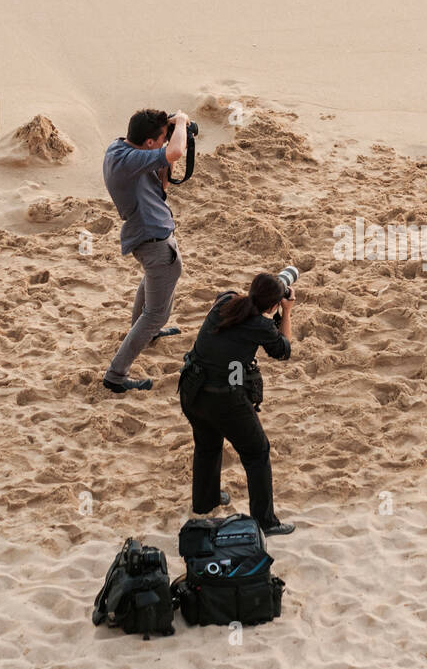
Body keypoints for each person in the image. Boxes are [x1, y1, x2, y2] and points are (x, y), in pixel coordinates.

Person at [177, 273, 296, 537]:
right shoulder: (262, 326)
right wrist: (286, 313)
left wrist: (271, 298)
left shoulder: (226, 301)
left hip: (191, 390)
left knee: (207, 445)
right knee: (257, 452)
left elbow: (239, 308)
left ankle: (205, 502)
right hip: (224, 400)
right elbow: (284, 349)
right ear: (273, 305)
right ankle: (266, 522)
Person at [102, 108, 189, 393]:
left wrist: (166, 135)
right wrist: (183, 122)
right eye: (162, 138)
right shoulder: (131, 160)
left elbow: (161, 183)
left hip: (144, 235)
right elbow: (175, 152)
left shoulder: (118, 149)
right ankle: (116, 375)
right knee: (156, 314)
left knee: (153, 283)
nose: (166, 142)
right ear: (149, 143)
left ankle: (147, 335)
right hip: (153, 239)